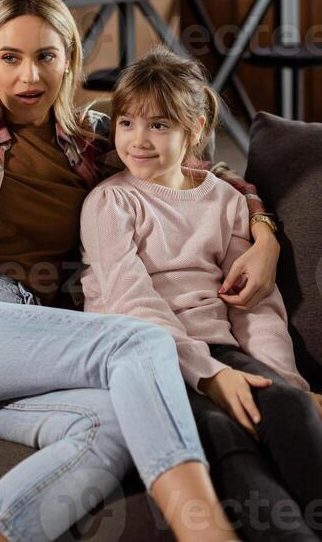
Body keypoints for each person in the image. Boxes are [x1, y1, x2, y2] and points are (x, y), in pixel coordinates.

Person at [0, 0, 280, 542]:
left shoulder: (92, 141)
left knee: (111, 427)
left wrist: (265, 235)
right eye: (10, 58)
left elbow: (197, 167)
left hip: (25, 354)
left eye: (46, 56)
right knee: (141, 340)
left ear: (68, 60)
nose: (29, 77)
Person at [80, 46, 322, 541]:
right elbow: (133, 304)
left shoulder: (226, 200)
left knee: (290, 409)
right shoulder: (111, 202)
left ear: (194, 128)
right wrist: (212, 376)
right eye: (126, 123)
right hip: (146, 357)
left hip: (220, 350)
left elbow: (254, 307)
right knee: (227, 438)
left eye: (160, 126)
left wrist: (284, 377)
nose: (138, 140)